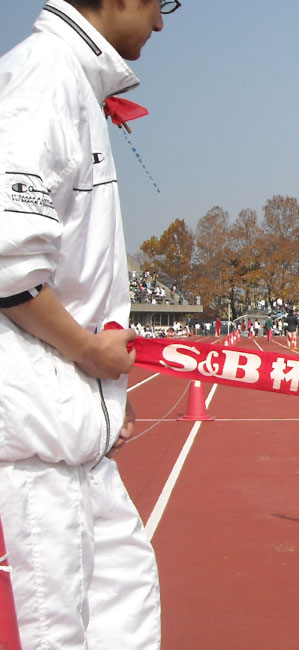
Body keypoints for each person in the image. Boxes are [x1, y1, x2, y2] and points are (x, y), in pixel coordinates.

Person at [0, 1, 179, 647]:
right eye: (162, 5)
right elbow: (8, 260)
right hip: (31, 464)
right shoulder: (43, 78)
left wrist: (100, 396)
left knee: (127, 620)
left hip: (79, 452)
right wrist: (87, 353)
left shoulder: (75, 84)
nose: (161, 24)